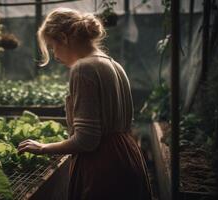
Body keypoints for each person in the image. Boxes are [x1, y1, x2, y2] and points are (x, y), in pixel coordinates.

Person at [18, 7, 152, 200]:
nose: (55, 56)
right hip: (127, 156)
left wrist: (42, 148)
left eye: (53, 46)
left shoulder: (83, 68)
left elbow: (86, 141)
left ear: (64, 38)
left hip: (103, 168)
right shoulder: (114, 64)